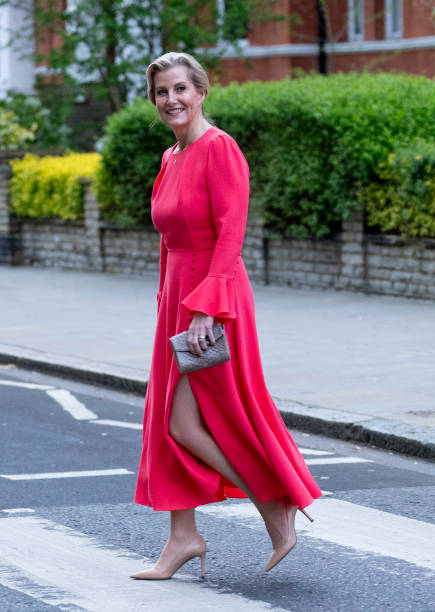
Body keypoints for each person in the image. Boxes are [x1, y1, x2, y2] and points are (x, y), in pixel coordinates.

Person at [131, 51, 322, 580]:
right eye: (161, 93)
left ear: (201, 91)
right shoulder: (171, 157)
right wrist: (166, 299)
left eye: (180, 89)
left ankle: (273, 505)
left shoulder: (221, 149)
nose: (171, 100)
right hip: (177, 298)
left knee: (187, 420)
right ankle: (182, 537)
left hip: (212, 300)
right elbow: (170, 239)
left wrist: (204, 310)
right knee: (171, 422)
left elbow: (231, 234)